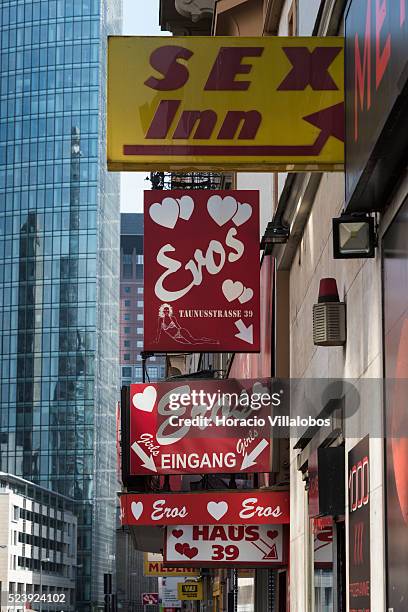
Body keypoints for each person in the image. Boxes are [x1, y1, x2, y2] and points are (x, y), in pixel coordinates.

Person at [154, 304, 219, 345]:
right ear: (163, 312)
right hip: (176, 338)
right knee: (192, 342)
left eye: (167, 311)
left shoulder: (172, 318)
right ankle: (204, 338)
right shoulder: (160, 319)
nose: (166, 312)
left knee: (193, 342)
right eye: (165, 311)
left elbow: (178, 327)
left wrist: (182, 332)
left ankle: (213, 341)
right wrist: (156, 340)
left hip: (180, 332)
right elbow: (159, 330)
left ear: (169, 311)